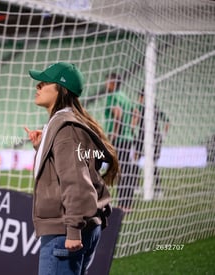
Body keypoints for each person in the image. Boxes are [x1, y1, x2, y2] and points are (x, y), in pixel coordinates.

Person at [25, 62, 119, 275]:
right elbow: (71, 168)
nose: (38, 86)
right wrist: (42, 147)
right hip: (73, 227)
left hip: (65, 230)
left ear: (61, 88)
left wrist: (73, 230)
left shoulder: (66, 129)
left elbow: (76, 183)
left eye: (45, 82)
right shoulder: (65, 123)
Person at [104, 73, 137, 212]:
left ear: (113, 83)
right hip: (128, 138)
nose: (106, 84)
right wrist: (130, 128)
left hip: (119, 139)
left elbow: (117, 115)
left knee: (120, 170)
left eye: (107, 82)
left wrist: (115, 134)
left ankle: (122, 205)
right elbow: (136, 113)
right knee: (127, 169)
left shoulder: (113, 97)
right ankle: (127, 204)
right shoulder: (125, 97)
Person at [134, 88, 170, 198]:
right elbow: (167, 122)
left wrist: (132, 132)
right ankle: (158, 190)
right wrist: (163, 135)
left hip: (143, 137)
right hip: (155, 137)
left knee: (137, 160)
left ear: (142, 97)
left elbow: (134, 121)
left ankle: (137, 187)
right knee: (153, 163)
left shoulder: (140, 108)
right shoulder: (155, 108)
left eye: (140, 96)